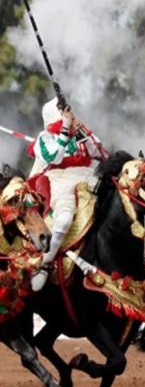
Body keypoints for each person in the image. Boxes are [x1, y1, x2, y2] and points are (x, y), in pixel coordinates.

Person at [29, 98, 104, 291]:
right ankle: (46, 263)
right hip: (61, 180)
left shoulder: (78, 130)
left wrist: (82, 133)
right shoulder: (44, 138)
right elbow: (55, 156)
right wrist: (65, 129)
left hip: (89, 176)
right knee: (64, 220)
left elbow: (98, 153)